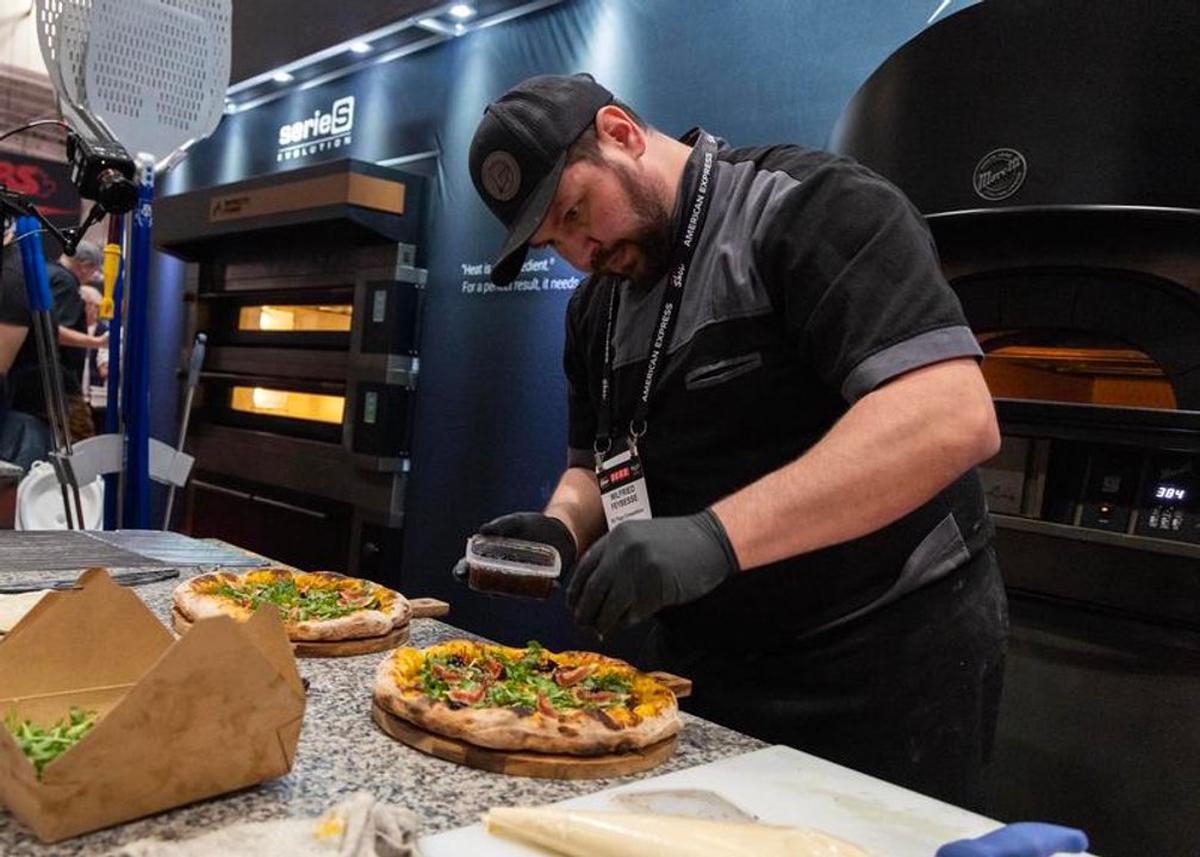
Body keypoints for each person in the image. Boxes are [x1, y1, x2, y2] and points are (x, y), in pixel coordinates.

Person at [457, 74, 1009, 809]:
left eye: (576, 212)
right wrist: (562, 527)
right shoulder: (595, 306)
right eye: (555, 240)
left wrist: (715, 538)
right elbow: (593, 465)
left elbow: (949, 415)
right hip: (706, 664)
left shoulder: (811, 207)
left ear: (620, 132)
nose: (580, 253)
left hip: (878, 660)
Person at [0, 233, 106, 449]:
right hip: (54, 385)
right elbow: (52, 331)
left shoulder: (41, 273)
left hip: (22, 385)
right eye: (94, 271)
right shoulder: (65, 282)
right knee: (80, 449)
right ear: (85, 266)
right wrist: (95, 342)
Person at [79, 284, 109, 435]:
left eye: (98, 306)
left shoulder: (104, 332)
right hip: (76, 394)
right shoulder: (74, 329)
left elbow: (105, 369)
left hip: (96, 398)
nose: (96, 310)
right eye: (94, 305)